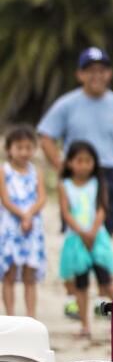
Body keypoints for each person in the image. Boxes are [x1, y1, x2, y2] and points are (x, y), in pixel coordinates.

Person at [37, 46, 113, 319]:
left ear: (109, 73)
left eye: (102, 70)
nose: (97, 75)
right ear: (80, 74)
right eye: (90, 70)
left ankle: (100, 299)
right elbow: (45, 135)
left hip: (109, 175)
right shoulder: (67, 103)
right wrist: (63, 168)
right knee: (76, 237)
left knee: (105, 239)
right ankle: (75, 298)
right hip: (77, 179)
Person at [56, 141, 113, 341]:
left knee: (106, 282)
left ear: (94, 163)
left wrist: (93, 231)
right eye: (79, 160)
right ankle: (84, 325)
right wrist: (82, 233)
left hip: (97, 238)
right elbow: (66, 212)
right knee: (80, 284)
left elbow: (101, 209)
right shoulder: (64, 186)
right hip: (76, 240)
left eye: (88, 161)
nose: (83, 165)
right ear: (70, 163)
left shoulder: (98, 183)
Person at [0, 125, 47, 318]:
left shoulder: (36, 172)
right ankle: (10, 316)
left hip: (32, 228)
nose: (24, 152)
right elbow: (5, 200)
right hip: (11, 228)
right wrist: (22, 215)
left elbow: (42, 198)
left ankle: (30, 316)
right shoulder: (4, 171)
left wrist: (29, 215)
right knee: (9, 274)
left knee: (30, 275)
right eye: (19, 147)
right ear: (9, 148)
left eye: (28, 147)